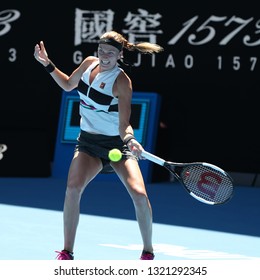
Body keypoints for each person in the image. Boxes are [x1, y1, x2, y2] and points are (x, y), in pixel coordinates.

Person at [34, 31, 164, 260]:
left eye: (110, 53)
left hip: (117, 145)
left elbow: (125, 124)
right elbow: (67, 85)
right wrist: (47, 64)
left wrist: (131, 140)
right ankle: (67, 251)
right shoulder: (88, 64)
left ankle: (148, 250)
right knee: (73, 189)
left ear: (120, 54)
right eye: (101, 50)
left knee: (140, 195)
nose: (104, 56)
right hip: (88, 143)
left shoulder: (122, 81)